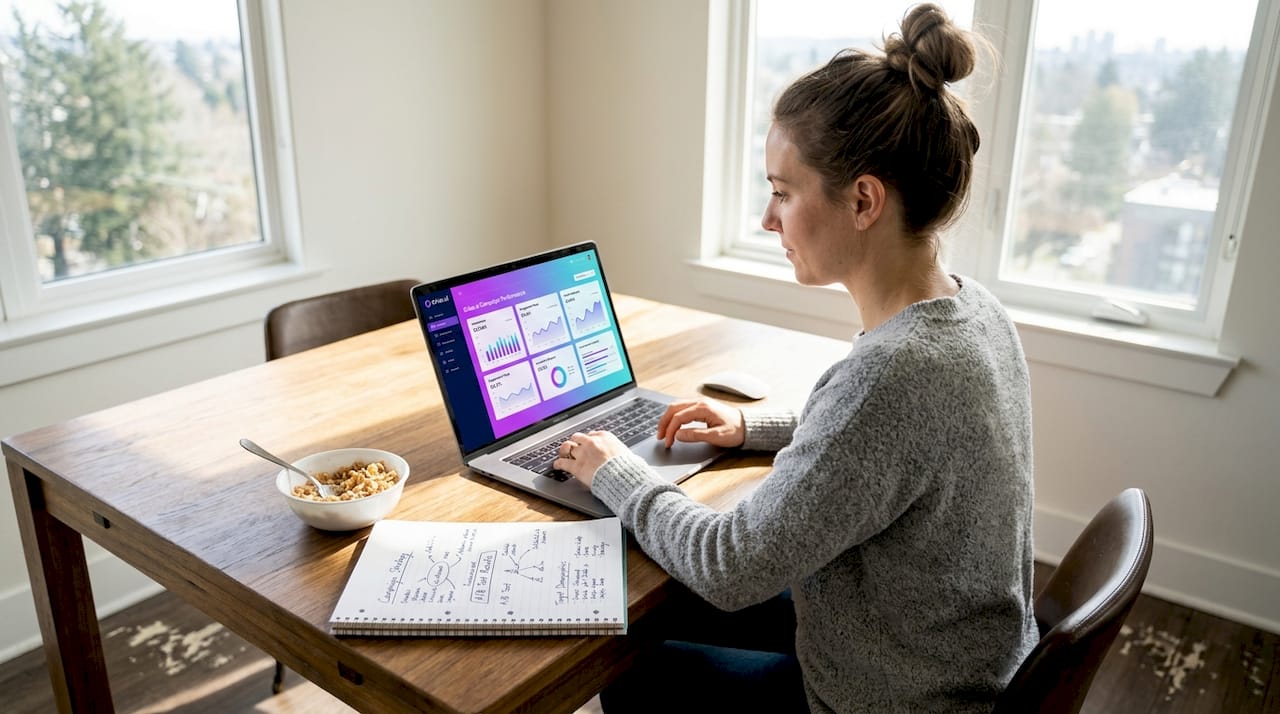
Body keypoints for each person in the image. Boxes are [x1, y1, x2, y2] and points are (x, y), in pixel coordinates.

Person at [552, 4, 1038, 712]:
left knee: (635, 670)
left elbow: (727, 566)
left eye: (782, 192)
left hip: (899, 695)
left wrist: (614, 471)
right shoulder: (973, 311)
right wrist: (755, 429)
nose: (767, 218)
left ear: (864, 199)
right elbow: (893, 445)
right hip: (952, 653)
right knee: (668, 612)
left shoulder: (892, 374)